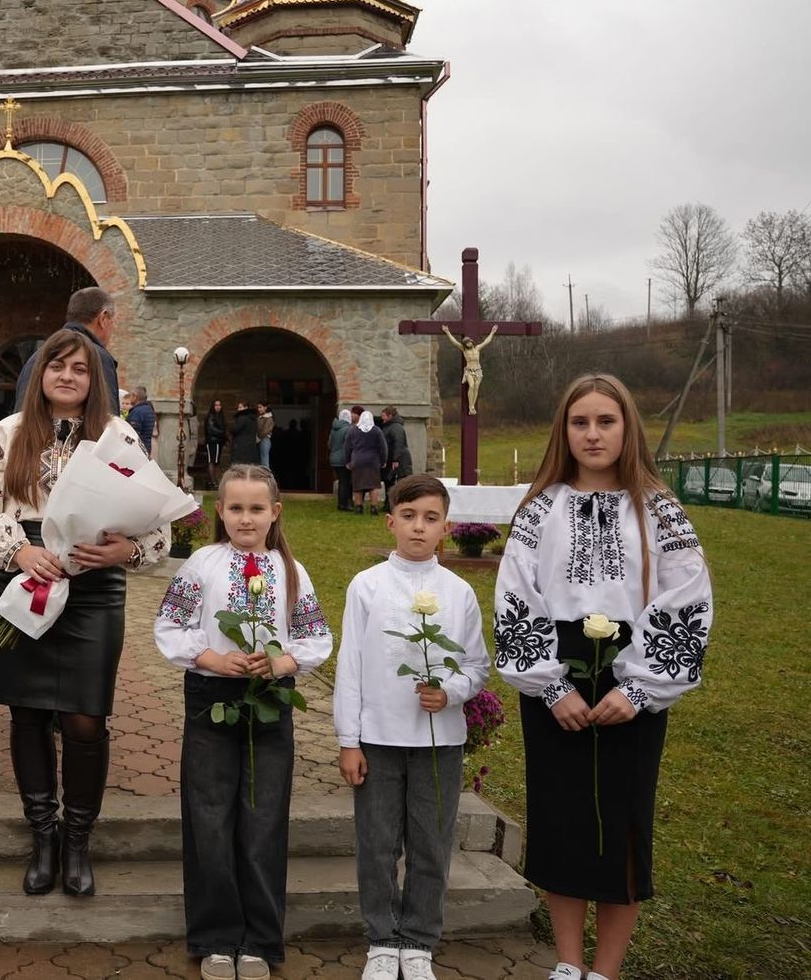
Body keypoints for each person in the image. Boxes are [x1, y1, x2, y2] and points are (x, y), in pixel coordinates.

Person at [495, 373, 713, 980]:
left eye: (606, 422)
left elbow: (687, 596)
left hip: (633, 670)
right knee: (561, 817)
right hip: (556, 673)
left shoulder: (660, 508)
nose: (592, 434)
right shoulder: (540, 508)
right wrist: (551, 686)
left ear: (627, 428)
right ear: (564, 431)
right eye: (580, 422)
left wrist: (640, 688)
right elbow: (516, 594)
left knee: (623, 819)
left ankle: (606, 970)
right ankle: (568, 963)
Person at [0, 329, 168, 898]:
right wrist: (18, 550)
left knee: (84, 718)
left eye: (80, 368)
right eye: (58, 366)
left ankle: (78, 839)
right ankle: (43, 837)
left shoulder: (119, 436)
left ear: (94, 380)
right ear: (40, 374)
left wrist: (127, 551)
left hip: (93, 586)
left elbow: (159, 522)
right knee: (27, 713)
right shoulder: (8, 433)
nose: (68, 376)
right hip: (23, 575)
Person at [154, 464, 332, 979]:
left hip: (269, 699)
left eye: (257, 509)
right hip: (211, 697)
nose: (246, 518)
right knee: (209, 817)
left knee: (263, 817)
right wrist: (211, 657)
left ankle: (260, 940)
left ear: (275, 512)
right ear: (220, 511)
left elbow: (316, 636)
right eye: (236, 508)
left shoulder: (291, 572)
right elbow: (170, 624)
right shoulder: (201, 565)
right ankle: (215, 937)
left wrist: (281, 662)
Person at [334, 474, 491, 980]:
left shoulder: (459, 593)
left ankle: (419, 940)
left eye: (430, 518)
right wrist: (349, 740)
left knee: (431, 843)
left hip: (438, 742)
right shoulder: (367, 586)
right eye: (408, 516)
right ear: (390, 522)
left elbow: (477, 665)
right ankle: (382, 938)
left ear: (446, 527)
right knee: (378, 843)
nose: (418, 527)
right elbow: (351, 666)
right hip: (378, 739)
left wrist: (451, 692)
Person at [13, 287, 120, 407]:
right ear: (103, 318)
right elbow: (106, 414)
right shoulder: (97, 357)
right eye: (57, 367)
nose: (66, 377)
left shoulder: (36, 356)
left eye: (78, 370)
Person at [347, 408, 388, 515]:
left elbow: (347, 447)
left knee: (358, 485)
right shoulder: (376, 430)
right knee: (373, 485)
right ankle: (374, 507)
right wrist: (383, 460)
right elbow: (383, 447)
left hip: (357, 460)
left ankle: (358, 507)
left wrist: (347, 461)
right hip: (373, 461)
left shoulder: (353, 430)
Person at [381, 407, 413, 511]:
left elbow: (398, 444)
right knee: (389, 482)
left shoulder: (396, 428)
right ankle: (389, 505)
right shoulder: (389, 427)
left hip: (399, 460)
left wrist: (395, 459)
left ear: (390, 416)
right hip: (391, 459)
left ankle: (399, 505)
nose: (382, 418)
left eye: (384, 416)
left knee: (401, 483)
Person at [329, 408, 353, 511]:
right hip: (343, 459)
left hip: (334, 458)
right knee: (345, 482)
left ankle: (341, 503)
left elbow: (329, 444)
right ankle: (343, 504)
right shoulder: (348, 429)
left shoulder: (334, 429)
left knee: (341, 481)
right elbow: (348, 445)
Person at [126, 386, 157, 458]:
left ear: (135, 396)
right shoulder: (148, 409)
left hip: (138, 450)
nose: (130, 398)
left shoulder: (137, 412)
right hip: (147, 447)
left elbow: (133, 433)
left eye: (130, 396)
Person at [203, 400, 227, 487]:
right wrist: (222, 433)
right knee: (212, 461)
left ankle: (210, 481)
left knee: (214, 461)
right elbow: (211, 429)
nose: (218, 407)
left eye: (219, 405)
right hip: (212, 441)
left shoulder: (220, 416)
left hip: (217, 441)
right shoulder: (211, 416)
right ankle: (213, 481)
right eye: (216, 405)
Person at [229, 402, 258, 467]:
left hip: (241, 445)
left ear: (246, 407)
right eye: (238, 407)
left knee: (239, 465)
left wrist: (230, 429)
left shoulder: (242, 418)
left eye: (240, 407)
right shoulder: (252, 418)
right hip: (250, 444)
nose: (238, 409)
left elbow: (235, 429)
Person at [256, 402, 275, 471]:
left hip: (265, 440)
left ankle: (266, 476)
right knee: (260, 462)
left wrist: (258, 438)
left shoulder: (269, 418)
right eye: (258, 407)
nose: (259, 409)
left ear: (265, 407)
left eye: (260, 407)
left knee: (264, 462)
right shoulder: (259, 417)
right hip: (259, 440)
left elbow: (265, 431)